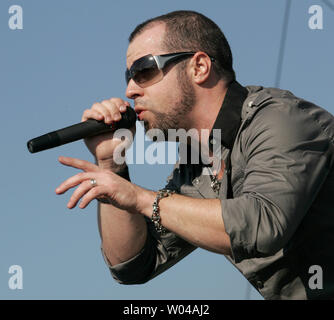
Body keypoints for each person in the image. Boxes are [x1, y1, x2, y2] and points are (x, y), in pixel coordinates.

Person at [55, 10, 334, 300]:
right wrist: (112, 165)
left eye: (144, 71)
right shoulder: (195, 163)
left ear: (199, 67)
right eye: (129, 77)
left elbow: (261, 224)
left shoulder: (281, 119)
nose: (130, 90)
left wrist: (139, 198)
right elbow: (134, 265)